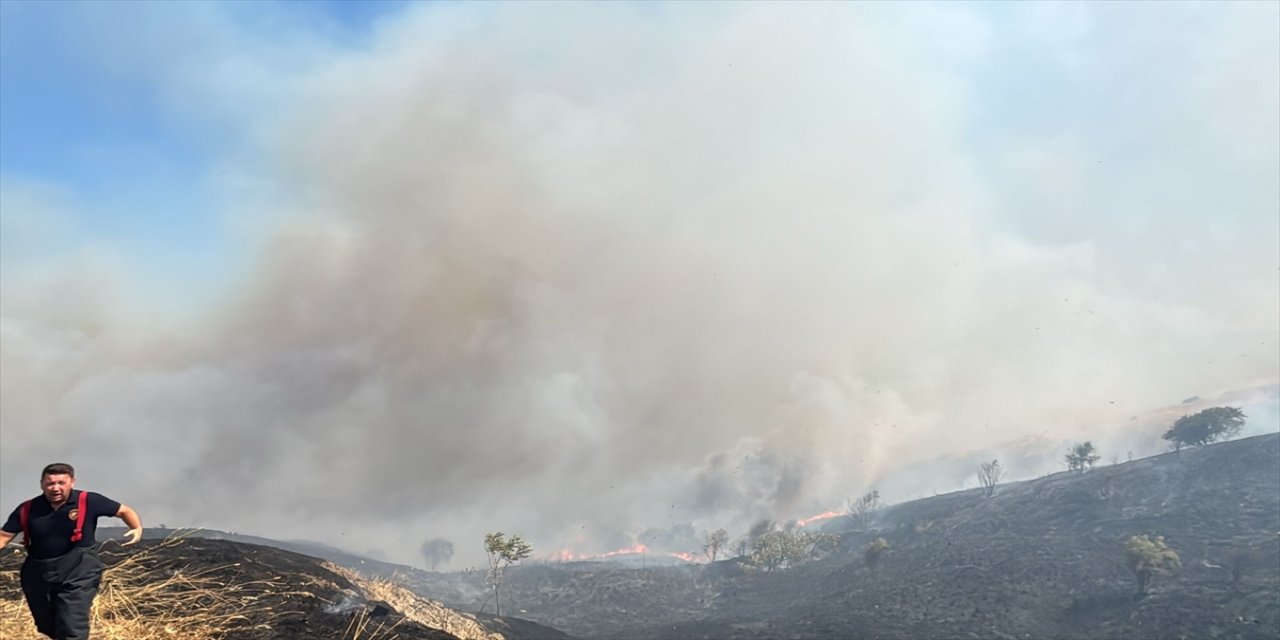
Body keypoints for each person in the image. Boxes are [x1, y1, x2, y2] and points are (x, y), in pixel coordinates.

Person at [0, 463, 143, 640]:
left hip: (79, 570)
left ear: (72, 482)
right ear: (42, 484)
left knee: (71, 624)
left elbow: (124, 511)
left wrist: (136, 528)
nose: (55, 488)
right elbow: (4, 536)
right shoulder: (27, 508)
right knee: (48, 625)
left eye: (61, 483)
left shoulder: (89, 501)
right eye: (50, 483)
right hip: (37, 572)